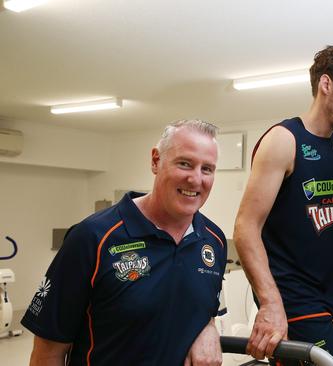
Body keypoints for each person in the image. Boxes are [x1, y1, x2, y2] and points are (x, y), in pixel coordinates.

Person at [21, 120, 227, 366]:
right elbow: (48, 352)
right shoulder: (93, 237)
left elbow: (203, 305)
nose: (196, 179)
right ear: (155, 161)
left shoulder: (214, 241)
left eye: (207, 169)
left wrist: (209, 326)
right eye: (185, 163)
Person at [233, 44, 333, 365]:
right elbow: (245, 227)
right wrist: (271, 305)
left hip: (324, 299)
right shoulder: (284, 140)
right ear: (326, 85)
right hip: (293, 300)